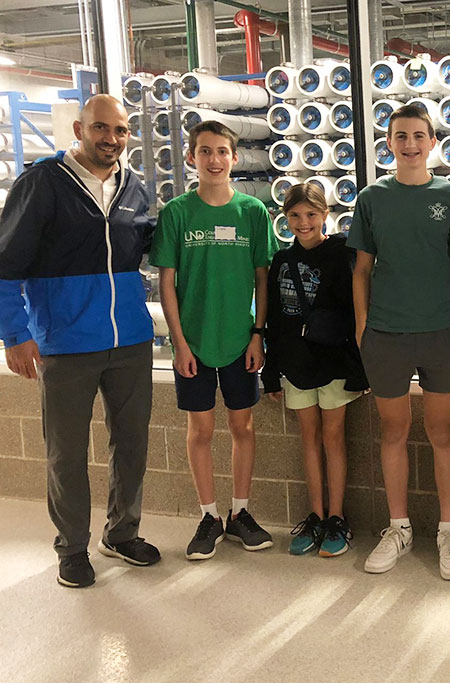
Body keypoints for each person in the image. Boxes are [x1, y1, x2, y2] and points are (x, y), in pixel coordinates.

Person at [0, 94, 161, 588]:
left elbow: (153, 252)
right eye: (101, 128)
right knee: (65, 452)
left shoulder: (133, 186)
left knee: (131, 442)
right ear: (79, 128)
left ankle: (121, 532)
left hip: (130, 340)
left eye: (121, 130)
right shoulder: (43, 184)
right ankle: (71, 547)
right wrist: (15, 333)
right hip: (66, 343)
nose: (111, 139)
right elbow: (7, 264)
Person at [349, 105, 450, 580]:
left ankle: (447, 529)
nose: (410, 144)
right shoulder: (372, 197)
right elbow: (361, 269)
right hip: (386, 334)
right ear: (389, 142)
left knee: (442, 433)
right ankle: (398, 527)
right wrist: (363, 326)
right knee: (393, 431)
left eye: (419, 135)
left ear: (432, 141)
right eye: (401, 135)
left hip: (440, 333)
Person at [150, 120, 277, 560]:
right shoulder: (177, 213)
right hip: (194, 344)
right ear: (192, 157)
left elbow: (264, 279)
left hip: (240, 341)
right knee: (200, 429)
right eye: (205, 151)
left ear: (235, 157)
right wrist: (179, 344)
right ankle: (208, 517)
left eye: (222, 151)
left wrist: (258, 334)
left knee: (242, 426)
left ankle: (240, 512)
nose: (214, 159)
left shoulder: (252, 213)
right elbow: (167, 283)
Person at [262, 182, 367, 557]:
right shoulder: (281, 261)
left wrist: (360, 370)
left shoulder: (342, 254)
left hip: (334, 364)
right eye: (295, 215)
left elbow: (356, 312)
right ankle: (316, 515)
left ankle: (338, 517)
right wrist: (270, 371)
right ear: (285, 218)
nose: (303, 223)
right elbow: (274, 319)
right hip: (295, 364)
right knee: (308, 439)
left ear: (325, 214)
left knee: (333, 438)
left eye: (310, 214)